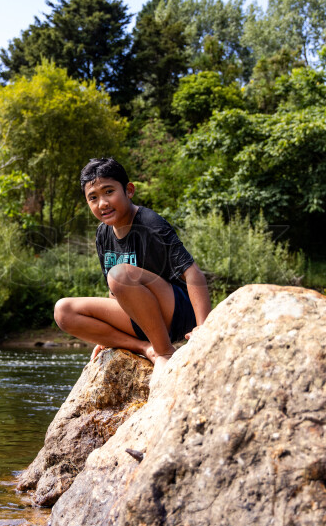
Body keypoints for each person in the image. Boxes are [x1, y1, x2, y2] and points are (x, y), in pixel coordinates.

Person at [54, 157, 212, 372]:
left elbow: (193, 274)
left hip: (175, 311)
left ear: (129, 190)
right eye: (93, 198)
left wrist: (203, 328)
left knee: (120, 274)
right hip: (140, 318)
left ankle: (165, 352)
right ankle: (146, 348)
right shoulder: (103, 233)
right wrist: (107, 335)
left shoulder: (150, 223)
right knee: (63, 311)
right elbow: (115, 292)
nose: (102, 203)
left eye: (109, 191)